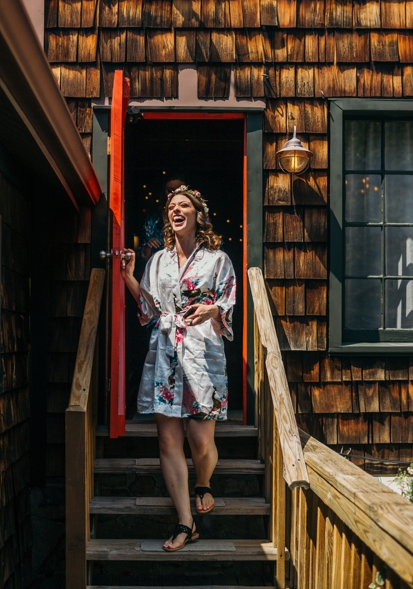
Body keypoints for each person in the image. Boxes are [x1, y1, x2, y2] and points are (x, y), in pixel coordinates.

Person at [119, 185, 237, 552]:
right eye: (171, 206)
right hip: (165, 353)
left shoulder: (218, 259)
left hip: (203, 352)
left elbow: (228, 302)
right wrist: (127, 275)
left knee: (201, 440)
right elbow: (150, 308)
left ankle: (203, 482)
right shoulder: (159, 261)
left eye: (184, 205)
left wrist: (214, 310)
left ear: (198, 215)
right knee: (168, 439)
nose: (176, 210)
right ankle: (186, 522)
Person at [141, 177, 187, 261]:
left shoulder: (196, 217)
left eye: (180, 190)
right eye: (170, 190)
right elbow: (142, 258)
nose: (175, 194)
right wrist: (148, 246)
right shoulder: (154, 219)